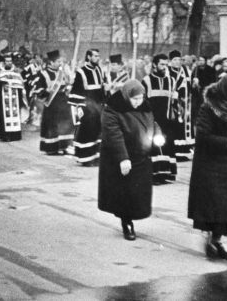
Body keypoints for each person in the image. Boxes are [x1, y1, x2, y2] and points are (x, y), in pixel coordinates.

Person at [188, 74, 227, 260]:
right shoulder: (210, 107)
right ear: (226, 89)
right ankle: (212, 242)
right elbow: (203, 136)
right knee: (215, 205)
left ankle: (217, 241)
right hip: (209, 164)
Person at [98, 79, 162, 241]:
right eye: (135, 99)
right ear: (127, 96)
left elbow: (153, 123)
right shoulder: (113, 108)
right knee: (125, 193)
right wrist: (123, 158)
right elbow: (113, 134)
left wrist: (158, 135)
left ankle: (132, 217)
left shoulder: (144, 106)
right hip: (122, 156)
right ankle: (126, 223)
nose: (138, 102)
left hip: (141, 155)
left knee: (138, 193)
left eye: (141, 98)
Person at [142, 53, 177, 185]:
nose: (164, 67)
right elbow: (142, 102)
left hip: (167, 121)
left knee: (167, 146)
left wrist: (175, 111)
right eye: (162, 64)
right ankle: (155, 175)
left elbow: (174, 100)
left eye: (166, 65)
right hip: (153, 121)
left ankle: (166, 174)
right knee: (155, 147)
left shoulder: (171, 81)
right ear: (154, 65)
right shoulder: (146, 81)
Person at [68, 49, 105, 166]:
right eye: (95, 56)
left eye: (98, 56)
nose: (98, 58)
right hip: (86, 107)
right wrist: (81, 108)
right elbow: (76, 92)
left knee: (98, 132)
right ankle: (86, 158)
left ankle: (96, 157)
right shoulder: (81, 72)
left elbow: (101, 89)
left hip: (98, 107)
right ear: (88, 57)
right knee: (87, 132)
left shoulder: (99, 70)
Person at [38, 50, 75, 154]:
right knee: (52, 126)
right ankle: (51, 148)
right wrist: (46, 91)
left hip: (63, 103)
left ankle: (64, 146)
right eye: (58, 61)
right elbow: (38, 91)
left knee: (65, 125)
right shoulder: (43, 74)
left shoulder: (62, 73)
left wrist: (68, 87)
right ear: (51, 62)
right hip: (52, 104)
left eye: (61, 61)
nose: (60, 63)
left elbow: (68, 84)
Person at [0, 54, 29, 142]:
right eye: (7, 61)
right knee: (4, 116)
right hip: (3, 99)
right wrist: (1, 84)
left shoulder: (16, 71)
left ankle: (16, 135)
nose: (9, 63)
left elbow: (21, 84)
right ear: (4, 62)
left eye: (10, 61)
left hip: (15, 99)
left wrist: (15, 86)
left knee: (15, 115)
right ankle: (5, 136)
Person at [168, 50, 194, 160]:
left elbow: (188, 85)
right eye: (175, 60)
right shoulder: (167, 71)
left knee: (185, 126)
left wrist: (194, 84)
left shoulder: (184, 70)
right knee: (176, 126)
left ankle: (185, 150)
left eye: (179, 60)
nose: (177, 62)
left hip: (185, 103)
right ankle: (176, 151)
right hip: (173, 103)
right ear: (170, 61)